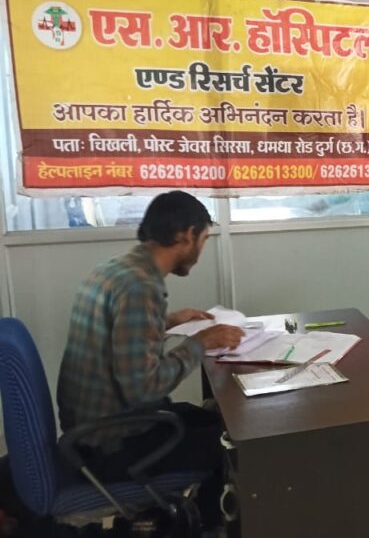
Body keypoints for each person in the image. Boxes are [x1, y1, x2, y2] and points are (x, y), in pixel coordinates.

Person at [57, 191, 244, 523]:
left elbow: (116, 333)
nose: (202, 250)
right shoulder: (141, 288)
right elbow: (144, 389)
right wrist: (200, 342)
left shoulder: (116, 269)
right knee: (236, 444)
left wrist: (167, 321)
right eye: (203, 239)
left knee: (213, 419)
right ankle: (203, 524)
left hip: (89, 429)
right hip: (112, 444)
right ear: (186, 235)